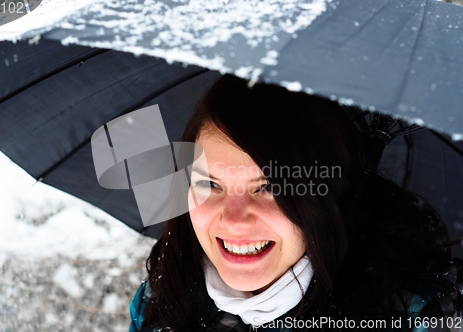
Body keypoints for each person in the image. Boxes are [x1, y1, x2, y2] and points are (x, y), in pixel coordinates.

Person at [129, 74, 462, 331]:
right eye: (209, 183)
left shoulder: (418, 314)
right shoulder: (163, 298)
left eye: (270, 187)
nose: (233, 221)